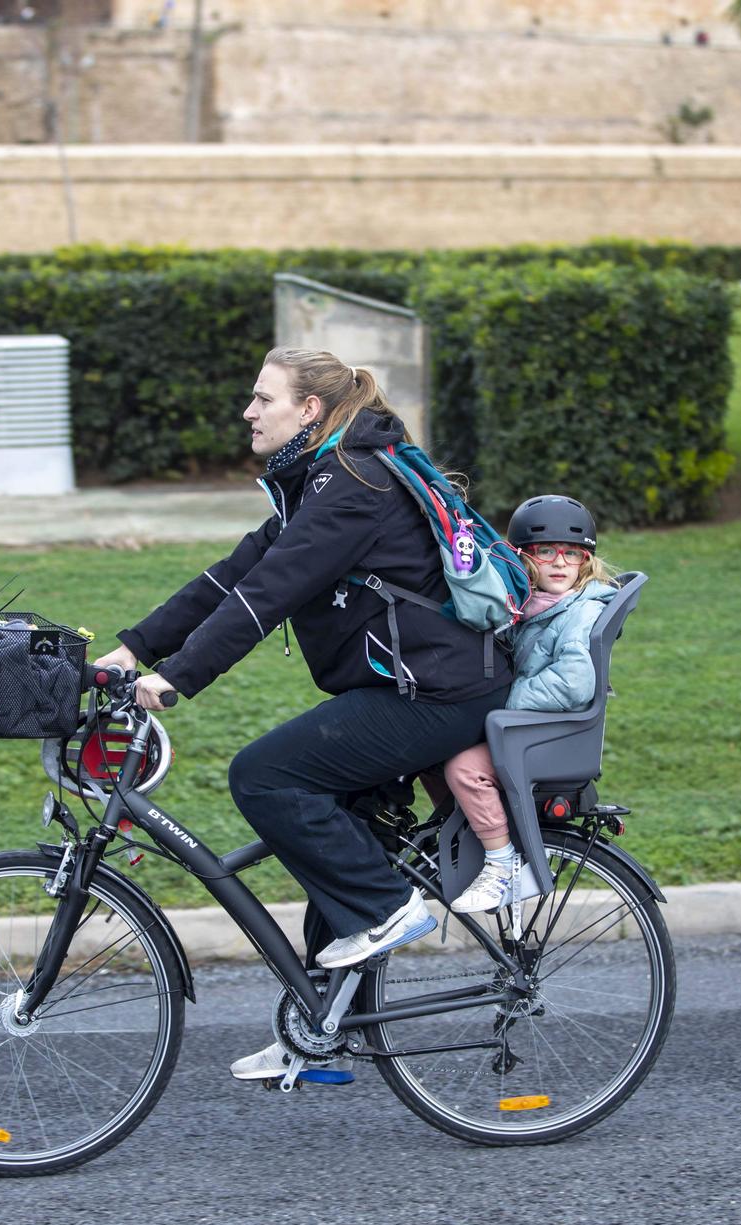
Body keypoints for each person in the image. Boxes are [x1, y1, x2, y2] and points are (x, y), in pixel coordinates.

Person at [91, 347, 514, 1080]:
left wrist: (176, 681)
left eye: (263, 399)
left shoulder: (352, 482)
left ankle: (385, 908)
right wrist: (130, 652)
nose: (248, 412)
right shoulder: (315, 479)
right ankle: (324, 1030)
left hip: (445, 690)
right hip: (414, 684)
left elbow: (269, 595)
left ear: (308, 410)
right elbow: (229, 578)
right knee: (327, 825)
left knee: (266, 775)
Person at [434, 495, 619, 912]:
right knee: (435, 749)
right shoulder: (535, 606)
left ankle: (502, 865)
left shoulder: (580, 611)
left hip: (550, 737)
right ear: (523, 558)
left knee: (464, 769)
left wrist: (502, 701)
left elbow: (573, 684)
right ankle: (475, 834)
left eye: (572, 553)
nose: (559, 562)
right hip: (526, 729)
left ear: (586, 561)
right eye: (545, 552)